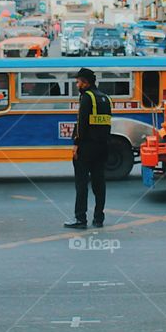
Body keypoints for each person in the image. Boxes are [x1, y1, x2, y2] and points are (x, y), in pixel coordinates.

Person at [64, 67, 112, 230]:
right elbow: (107, 125)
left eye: (78, 82)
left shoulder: (86, 98)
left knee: (81, 184)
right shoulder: (105, 98)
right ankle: (99, 218)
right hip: (102, 146)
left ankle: (81, 219)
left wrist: (76, 144)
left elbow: (82, 123)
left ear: (85, 83)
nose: (77, 84)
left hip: (86, 148)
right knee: (99, 183)